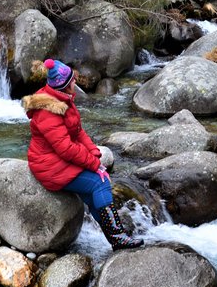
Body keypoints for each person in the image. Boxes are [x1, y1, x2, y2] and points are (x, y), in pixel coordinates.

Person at [22, 58, 143, 250]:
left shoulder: (62, 99)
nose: (75, 82)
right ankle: (117, 237)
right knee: (99, 181)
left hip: (58, 160)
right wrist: (94, 165)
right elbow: (66, 148)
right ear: (62, 86)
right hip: (49, 166)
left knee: (93, 190)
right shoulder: (48, 111)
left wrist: (94, 154)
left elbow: (78, 131)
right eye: (71, 80)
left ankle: (115, 236)